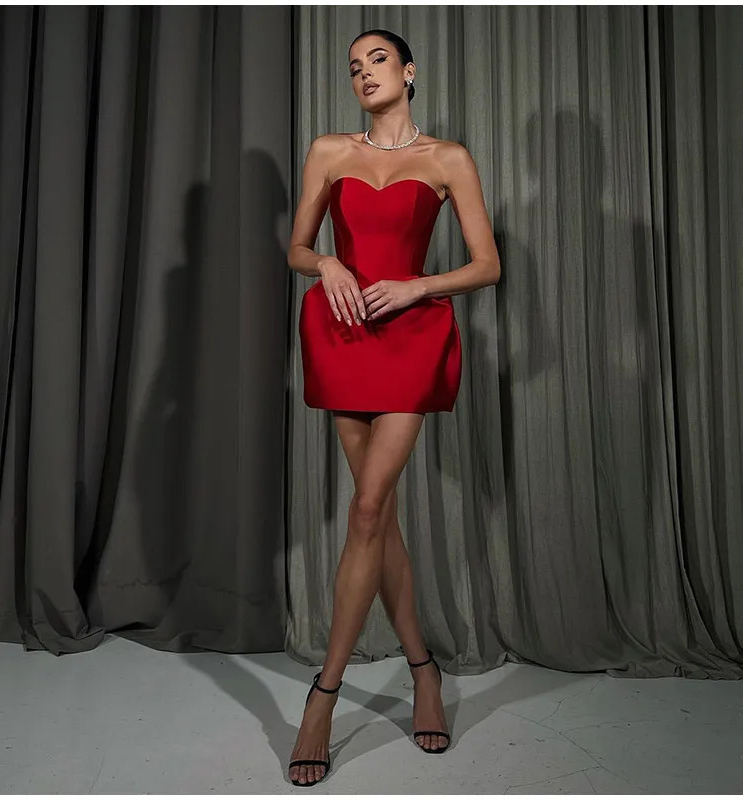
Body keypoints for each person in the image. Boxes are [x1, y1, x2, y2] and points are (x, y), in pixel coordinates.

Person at [286, 28, 501, 787]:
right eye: (354, 67)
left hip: (409, 337)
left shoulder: (448, 159)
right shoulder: (328, 151)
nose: (364, 74)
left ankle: (323, 694)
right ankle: (423, 670)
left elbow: (487, 265)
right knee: (378, 520)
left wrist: (418, 286)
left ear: (409, 71)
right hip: (342, 333)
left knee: (369, 508)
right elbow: (297, 248)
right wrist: (328, 260)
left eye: (377, 60)